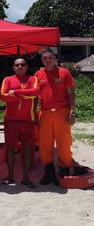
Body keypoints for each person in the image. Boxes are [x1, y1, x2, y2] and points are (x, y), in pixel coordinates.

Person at [35, 48, 75, 185]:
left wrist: (72, 111)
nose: (47, 60)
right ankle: (49, 173)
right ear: (42, 60)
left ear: (55, 58)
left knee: (63, 144)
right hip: (44, 113)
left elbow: (71, 93)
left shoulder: (64, 73)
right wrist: (34, 113)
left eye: (50, 57)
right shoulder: (38, 74)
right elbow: (35, 95)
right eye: (45, 58)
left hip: (61, 112)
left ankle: (64, 173)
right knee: (45, 145)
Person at [0, 58, 39, 188]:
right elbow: (3, 96)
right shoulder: (8, 79)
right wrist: (26, 95)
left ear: (27, 67)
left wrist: (15, 92)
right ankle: (10, 176)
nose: (20, 66)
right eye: (17, 65)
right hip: (11, 120)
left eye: (22, 64)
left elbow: (36, 92)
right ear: (13, 67)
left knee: (28, 149)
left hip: (28, 120)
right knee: (10, 148)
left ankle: (26, 178)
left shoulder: (33, 79)